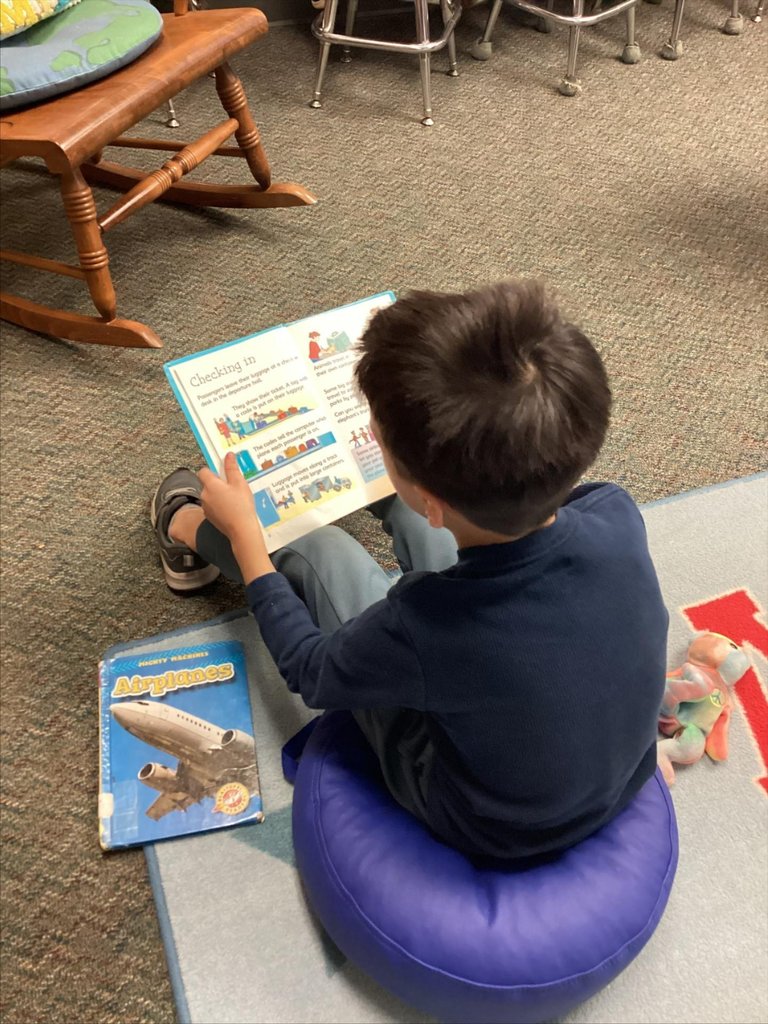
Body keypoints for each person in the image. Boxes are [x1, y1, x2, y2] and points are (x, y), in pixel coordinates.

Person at [150, 279, 668, 864]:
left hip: (486, 822)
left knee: (325, 552)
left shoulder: (426, 622)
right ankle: (379, 498)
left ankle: (184, 529)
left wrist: (247, 542)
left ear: (434, 497)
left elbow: (312, 672)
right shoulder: (615, 511)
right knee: (421, 523)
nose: (371, 432)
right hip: (610, 772)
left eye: (377, 435)